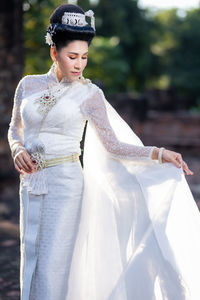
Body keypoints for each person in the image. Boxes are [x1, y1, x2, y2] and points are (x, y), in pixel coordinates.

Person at [7, 4, 200, 300]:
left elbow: (114, 145)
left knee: (52, 266)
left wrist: (159, 153)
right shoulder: (27, 85)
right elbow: (14, 129)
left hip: (66, 185)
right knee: (29, 255)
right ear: (53, 53)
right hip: (30, 185)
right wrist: (17, 148)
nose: (79, 64)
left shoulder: (90, 94)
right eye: (72, 56)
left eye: (84, 57)